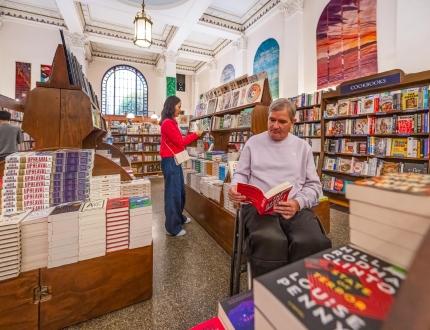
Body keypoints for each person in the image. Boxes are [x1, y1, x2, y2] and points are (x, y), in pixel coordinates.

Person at [228, 98, 331, 277]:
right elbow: (241, 174)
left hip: (294, 206)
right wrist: (235, 187)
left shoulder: (302, 147)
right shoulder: (253, 143)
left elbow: (314, 186)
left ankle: (304, 289)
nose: (275, 126)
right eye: (271, 120)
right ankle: (270, 292)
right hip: (259, 208)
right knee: (270, 240)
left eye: (282, 121)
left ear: (293, 122)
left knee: (312, 241)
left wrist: (298, 203)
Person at [160, 96, 203, 236]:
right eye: (178, 106)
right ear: (171, 107)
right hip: (170, 161)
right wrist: (196, 135)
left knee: (179, 192)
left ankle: (179, 218)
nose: (180, 109)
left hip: (174, 161)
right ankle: (172, 228)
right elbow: (180, 142)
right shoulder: (167, 123)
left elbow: (177, 141)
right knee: (173, 194)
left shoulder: (171, 122)